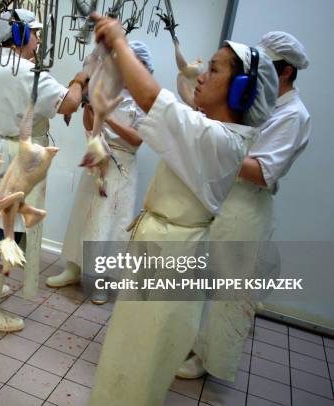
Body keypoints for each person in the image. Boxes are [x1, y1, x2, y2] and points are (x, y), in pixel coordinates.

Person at [87, 14, 278, 406]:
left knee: (138, 368)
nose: (201, 75)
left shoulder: (220, 140)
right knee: (127, 358)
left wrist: (120, 42)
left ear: (241, 91)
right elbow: (163, 108)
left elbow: (151, 100)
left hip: (172, 259)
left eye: (213, 68)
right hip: (164, 249)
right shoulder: (209, 130)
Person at [177, 31, 311, 380]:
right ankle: (190, 342)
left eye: (271, 67)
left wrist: (219, 143)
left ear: (286, 73)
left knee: (228, 291)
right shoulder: (259, 101)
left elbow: (263, 172)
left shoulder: (293, 115)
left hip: (246, 207)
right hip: (224, 199)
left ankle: (207, 359)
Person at [0, 9, 86, 332]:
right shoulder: (25, 71)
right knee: (5, 232)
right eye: (34, 33)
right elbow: (70, 103)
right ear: (20, 35)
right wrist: (80, 79)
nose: (38, 40)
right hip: (11, 155)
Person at [46, 40, 154, 306]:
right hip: (98, 156)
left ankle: (102, 281)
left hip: (123, 165)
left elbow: (137, 140)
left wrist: (108, 117)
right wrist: (92, 112)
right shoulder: (107, 87)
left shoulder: (145, 101)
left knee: (111, 223)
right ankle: (73, 267)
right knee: (84, 215)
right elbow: (89, 123)